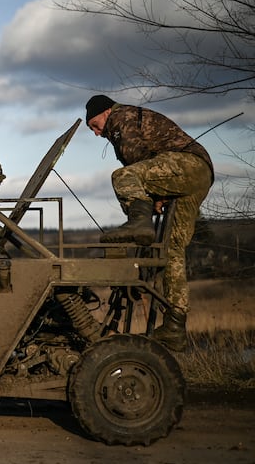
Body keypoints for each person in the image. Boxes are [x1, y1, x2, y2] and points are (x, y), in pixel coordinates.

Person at [85, 94, 214, 352]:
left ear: (106, 112)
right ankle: (175, 326)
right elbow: (149, 168)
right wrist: (154, 196)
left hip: (186, 164)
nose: (97, 133)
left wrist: (141, 208)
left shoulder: (122, 117)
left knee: (122, 177)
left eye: (94, 125)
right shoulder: (125, 119)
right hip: (199, 175)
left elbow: (136, 160)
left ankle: (140, 224)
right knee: (173, 251)